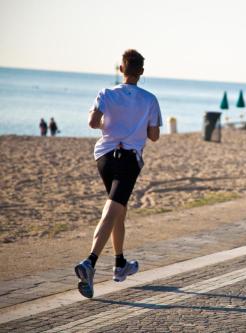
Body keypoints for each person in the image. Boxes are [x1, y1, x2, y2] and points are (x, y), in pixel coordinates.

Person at [74, 49, 162, 298]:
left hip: (103, 156)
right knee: (113, 206)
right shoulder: (149, 99)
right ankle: (90, 261)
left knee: (118, 208)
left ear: (121, 69)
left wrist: (111, 125)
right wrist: (137, 126)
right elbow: (154, 136)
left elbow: (93, 123)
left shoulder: (106, 93)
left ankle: (120, 264)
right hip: (128, 159)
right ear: (142, 72)